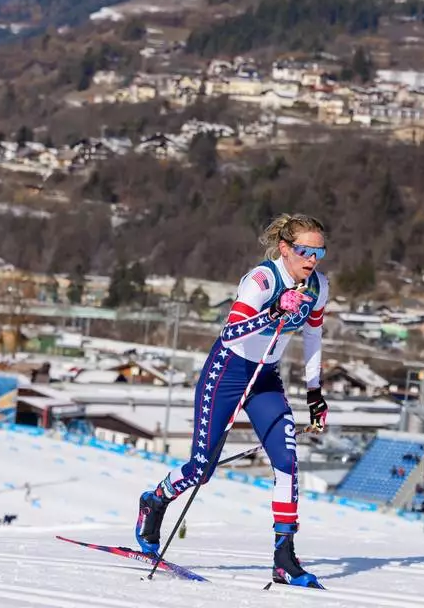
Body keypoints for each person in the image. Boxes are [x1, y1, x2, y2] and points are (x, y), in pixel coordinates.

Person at [135, 213, 331, 588]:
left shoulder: (318, 286)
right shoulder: (261, 280)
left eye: (320, 252)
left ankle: (284, 557)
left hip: (265, 377)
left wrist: (315, 394)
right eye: (305, 250)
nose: (313, 259)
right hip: (227, 373)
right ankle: (155, 500)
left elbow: (313, 338)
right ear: (286, 248)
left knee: (287, 461)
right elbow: (230, 333)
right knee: (200, 470)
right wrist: (273, 311)